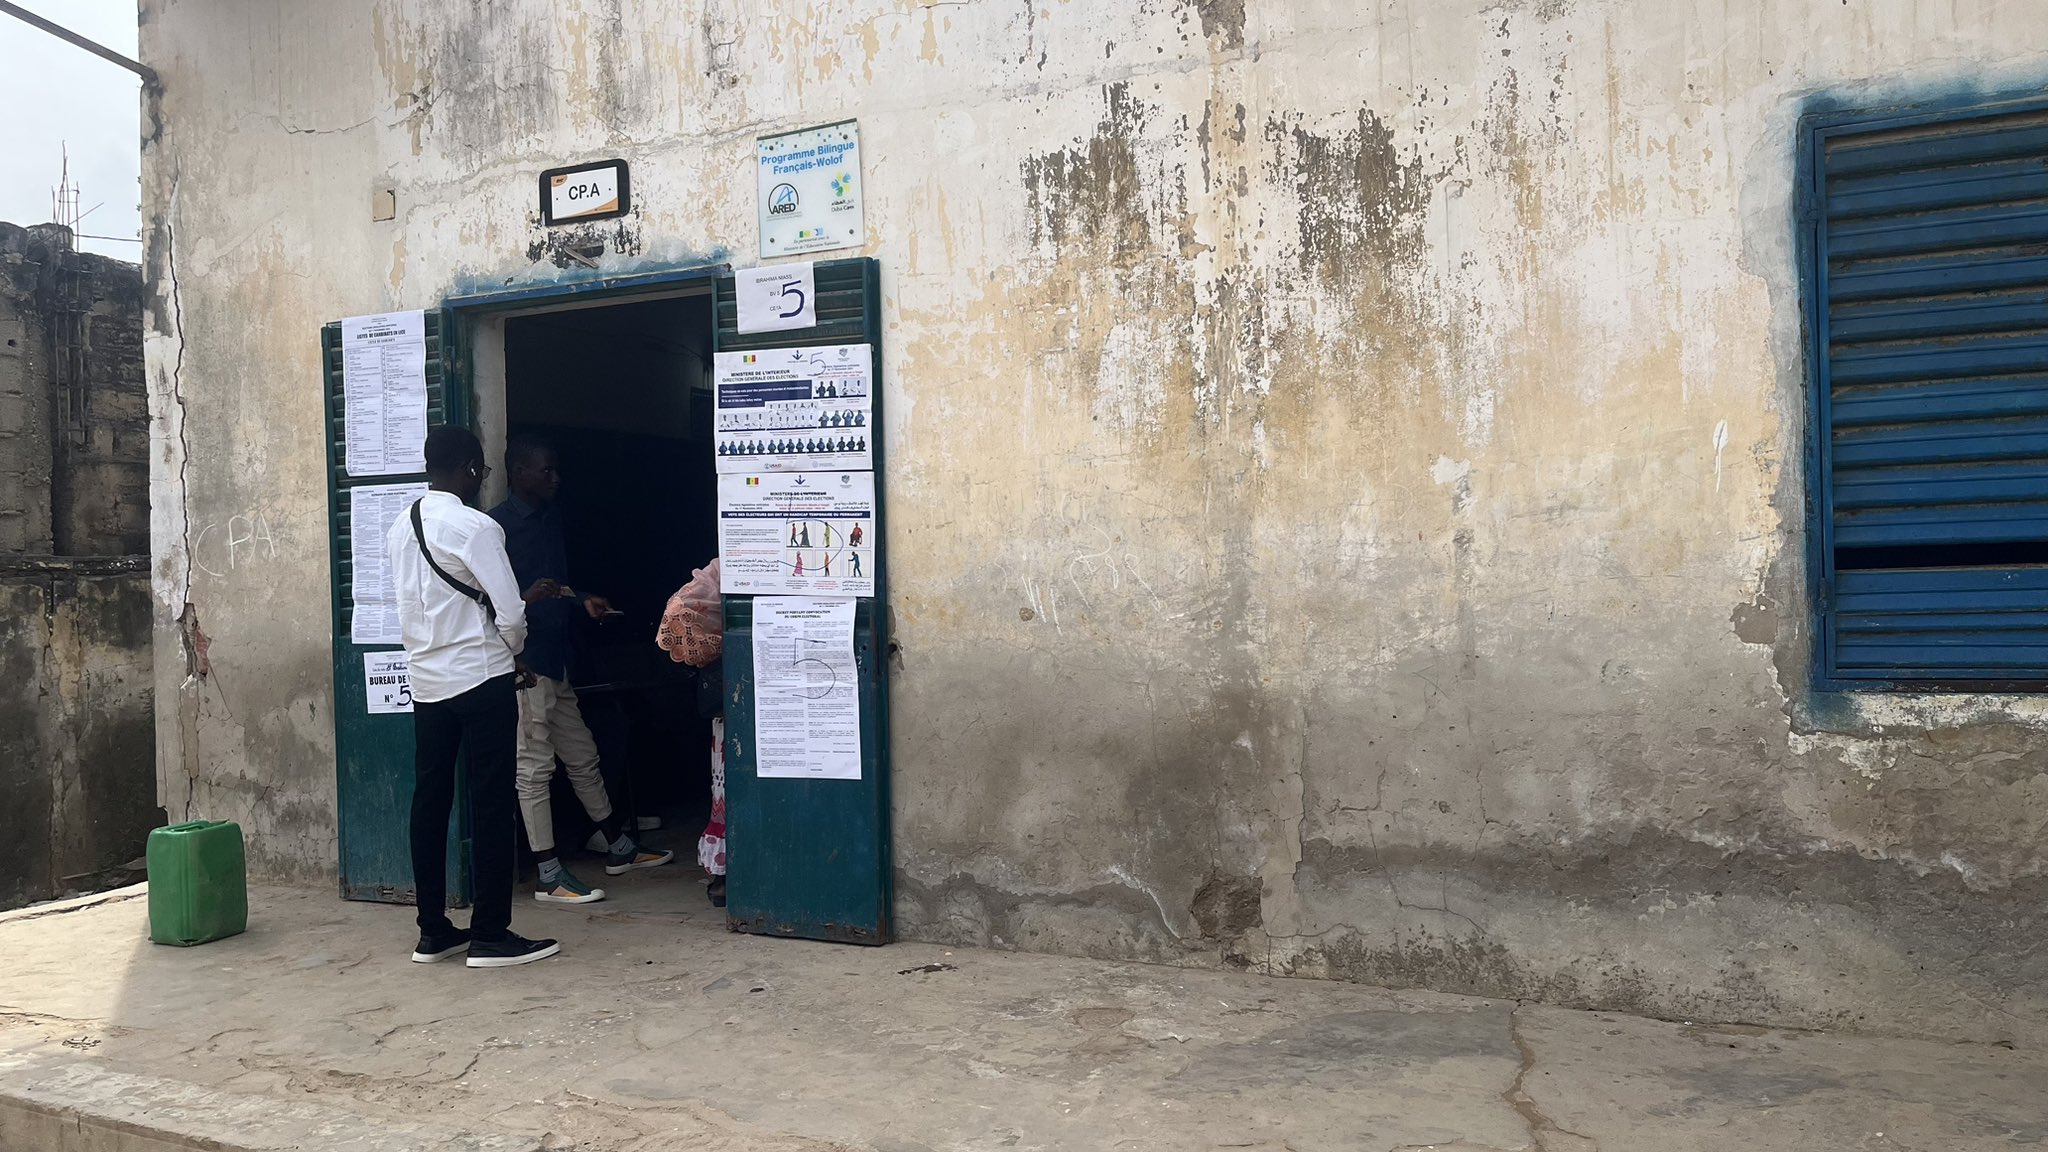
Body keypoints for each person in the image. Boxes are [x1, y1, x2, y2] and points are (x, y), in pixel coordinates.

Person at [387, 425, 558, 968]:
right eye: (480, 472)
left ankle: (433, 929)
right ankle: (490, 933)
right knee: (489, 802)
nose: (481, 481)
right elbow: (510, 612)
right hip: (481, 680)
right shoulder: (474, 527)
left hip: (427, 682)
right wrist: (516, 650)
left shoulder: (399, 527)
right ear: (467, 469)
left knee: (430, 801)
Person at [489, 433, 672, 905]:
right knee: (533, 768)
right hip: (525, 664)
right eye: (545, 470)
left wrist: (581, 598)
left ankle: (617, 845)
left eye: (555, 469)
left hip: (557, 658)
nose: (556, 478)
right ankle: (549, 873)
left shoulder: (550, 520)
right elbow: (489, 602)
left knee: (582, 754)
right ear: (518, 473)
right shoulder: (495, 530)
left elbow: (553, 586)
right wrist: (516, 653)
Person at [656, 559, 727, 908]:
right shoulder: (728, 564)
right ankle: (728, 869)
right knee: (734, 780)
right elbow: (680, 613)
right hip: (740, 694)